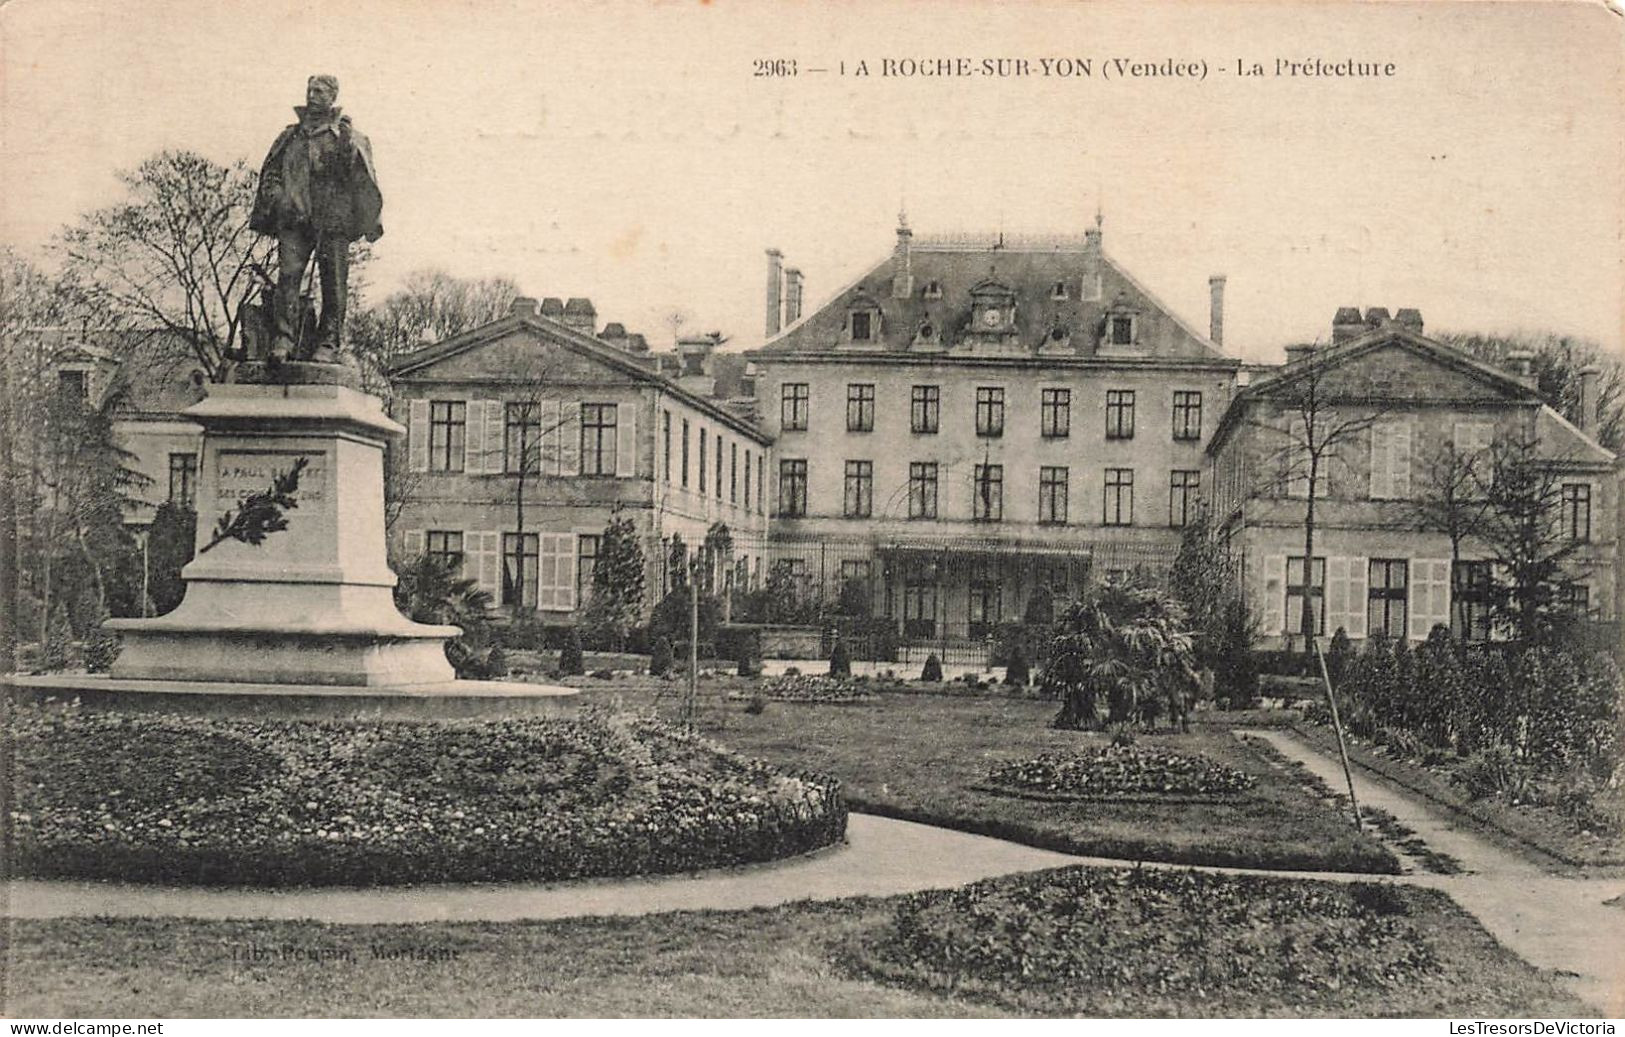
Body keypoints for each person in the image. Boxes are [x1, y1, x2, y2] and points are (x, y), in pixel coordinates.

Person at [250, 74, 383, 361]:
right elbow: (272, 171)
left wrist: (346, 146)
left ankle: (329, 343)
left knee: (333, 283)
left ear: (333, 97)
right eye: (310, 90)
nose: (312, 96)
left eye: (320, 92)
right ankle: (283, 340)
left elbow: (356, 177)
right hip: (295, 218)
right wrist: (278, 198)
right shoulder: (290, 136)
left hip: (332, 221)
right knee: (287, 278)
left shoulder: (348, 137)